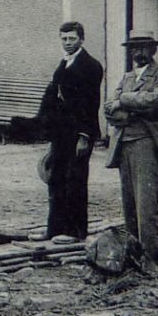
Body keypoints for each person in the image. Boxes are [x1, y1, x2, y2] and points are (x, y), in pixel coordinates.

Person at [103, 32, 158, 272]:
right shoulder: (126, 78)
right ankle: (134, 259)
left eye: (144, 48)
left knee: (146, 206)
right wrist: (131, 108)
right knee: (129, 206)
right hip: (124, 144)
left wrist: (124, 101)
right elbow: (108, 111)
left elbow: (156, 101)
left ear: (153, 50)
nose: (139, 53)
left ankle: (151, 261)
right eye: (134, 49)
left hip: (148, 144)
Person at [39, 21, 105, 240]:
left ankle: (76, 232)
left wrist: (85, 136)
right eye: (64, 39)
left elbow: (90, 104)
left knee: (75, 181)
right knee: (56, 179)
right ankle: (55, 230)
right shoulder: (63, 64)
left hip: (78, 134)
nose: (67, 43)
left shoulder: (91, 66)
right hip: (61, 133)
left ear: (82, 40)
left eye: (72, 39)